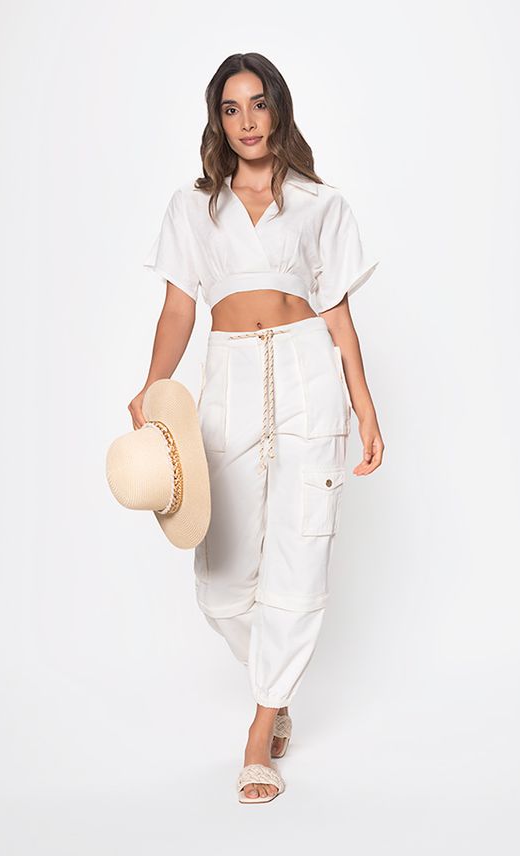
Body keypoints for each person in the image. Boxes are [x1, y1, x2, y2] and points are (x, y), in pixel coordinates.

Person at [130, 52, 385, 803]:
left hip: (308, 371)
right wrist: (152, 387)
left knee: (301, 550)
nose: (247, 121)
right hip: (229, 379)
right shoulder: (193, 207)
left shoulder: (318, 203)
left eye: (258, 103)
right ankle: (277, 685)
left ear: (279, 109)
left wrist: (364, 404)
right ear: (218, 119)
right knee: (221, 582)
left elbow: (337, 312)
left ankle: (262, 726)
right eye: (231, 107)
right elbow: (179, 309)